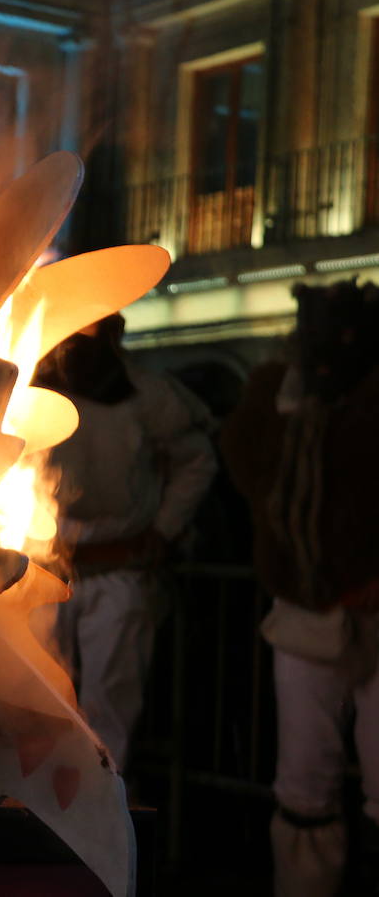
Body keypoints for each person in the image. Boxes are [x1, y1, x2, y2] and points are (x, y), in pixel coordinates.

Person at [220, 282, 379, 896]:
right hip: (305, 611)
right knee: (304, 781)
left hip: (370, 611)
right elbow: (251, 469)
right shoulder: (274, 395)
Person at [37, 313, 217, 770]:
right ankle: (34, 805)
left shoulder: (149, 395)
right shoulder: (37, 388)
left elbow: (197, 460)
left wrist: (161, 531)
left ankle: (100, 801)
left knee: (108, 708)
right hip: (44, 562)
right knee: (36, 693)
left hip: (121, 566)